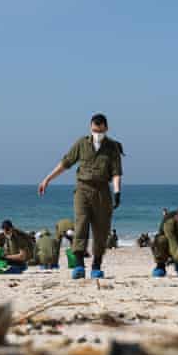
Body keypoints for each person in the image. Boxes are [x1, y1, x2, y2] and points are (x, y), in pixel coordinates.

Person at [38, 113, 124, 280]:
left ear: (106, 128)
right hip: (82, 190)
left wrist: (117, 192)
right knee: (81, 225)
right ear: (90, 128)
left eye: (100, 130)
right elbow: (65, 163)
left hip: (102, 191)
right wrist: (47, 179)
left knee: (101, 230)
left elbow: (116, 172)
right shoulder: (82, 143)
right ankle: (78, 265)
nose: (97, 133)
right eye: (94, 130)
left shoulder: (113, 147)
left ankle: (97, 265)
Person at [152, 206, 178, 277]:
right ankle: (160, 265)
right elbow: (172, 243)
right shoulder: (169, 222)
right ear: (177, 217)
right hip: (166, 245)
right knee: (161, 240)